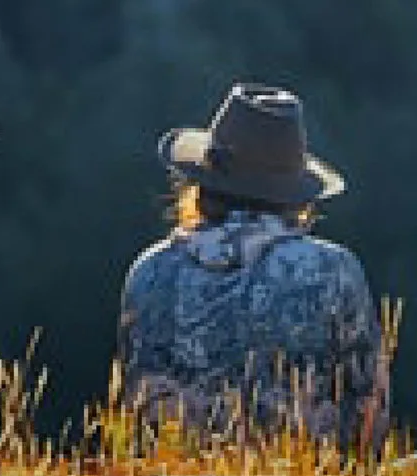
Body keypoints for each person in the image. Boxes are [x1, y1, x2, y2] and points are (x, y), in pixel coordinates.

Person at [117, 82, 388, 450]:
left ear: (202, 183)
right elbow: (369, 414)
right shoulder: (333, 273)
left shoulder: (149, 273)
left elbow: (136, 412)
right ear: (293, 195)